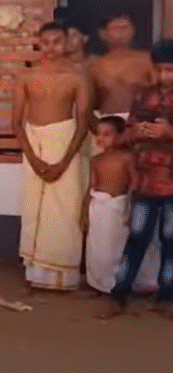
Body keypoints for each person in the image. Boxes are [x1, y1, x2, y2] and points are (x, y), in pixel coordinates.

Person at [13, 21, 91, 291]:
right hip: (34, 142)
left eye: (57, 42)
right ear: (38, 43)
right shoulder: (26, 77)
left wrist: (64, 162)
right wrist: (33, 158)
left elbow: (83, 125)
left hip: (64, 140)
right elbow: (15, 123)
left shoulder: (77, 77)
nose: (51, 48)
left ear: (66, 43)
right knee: (34, 206)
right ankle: (36, 273)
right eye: (45, 42)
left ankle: (63, 275)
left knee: (65, 208)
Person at [99, 40, 173, 318]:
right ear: (153, 70)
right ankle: (119, 295)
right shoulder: (142, 97)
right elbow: (125, 135)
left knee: (171, 242)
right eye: (162, 70)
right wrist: (138, 132)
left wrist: (168, 133)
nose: (166, 76)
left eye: (171, 70)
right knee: (136, 239)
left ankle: (166, 298)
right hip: (143, 181)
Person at [83, 115, 161, 295]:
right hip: (99, 208)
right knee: (99, 249)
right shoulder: (96, 160)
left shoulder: (127, 158)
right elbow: (91, 186)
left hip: (118, 207)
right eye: (98, 134)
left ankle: (121, 283)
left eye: (107, 134)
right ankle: (99, 283)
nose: (101, 138)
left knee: (117, 248)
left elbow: (134, 182)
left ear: (120, 136)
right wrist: (84, 212)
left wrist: (130, 208)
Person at [91, 14, 153, 118]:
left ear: (133, 31)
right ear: (103, 34)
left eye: (125, 28)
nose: (121, 33)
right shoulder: (96, 65)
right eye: (115, 28)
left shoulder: (147, 60)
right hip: (108, 121)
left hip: (141, 121)